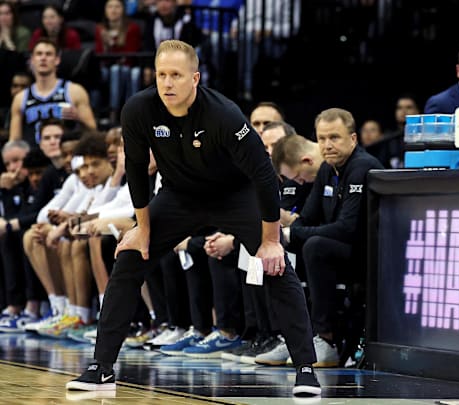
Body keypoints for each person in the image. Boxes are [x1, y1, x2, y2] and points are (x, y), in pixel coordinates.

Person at [65, 39, 320, 397]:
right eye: (161, 75)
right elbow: (137, 170)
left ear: (195, 78)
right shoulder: (138, 109)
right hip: (179, 196)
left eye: (176, 75)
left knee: (276, 268)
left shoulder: (224, 115)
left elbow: (263, 175)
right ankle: (101, 368)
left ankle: (306, 369)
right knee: (129, 259)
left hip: (235, 195)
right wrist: (143, 229)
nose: (167, 83)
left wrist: (271, 240)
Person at [271, 109, 384, 367]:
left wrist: (294, 233)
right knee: (276, 245)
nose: (327, 145)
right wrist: (282, 233)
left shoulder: (362, 167)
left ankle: (326, 339)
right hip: (342, 248)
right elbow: (307, 218)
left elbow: (347, 228)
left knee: (315, 246)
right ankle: (284, 332)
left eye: (335, 137)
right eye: (322, 138)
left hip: (368, 252)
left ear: (353, 139)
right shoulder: (327, 169)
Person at [8, 39, 96, 146]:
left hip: (66, 155)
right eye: (39, 54)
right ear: (32, 60)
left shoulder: (75, 91)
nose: (43, 58)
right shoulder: (20, 98)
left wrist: (79, 119)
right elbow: (14, 141)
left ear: (57, 60)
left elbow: (93, 133)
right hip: (34, 158)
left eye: (48, 54)